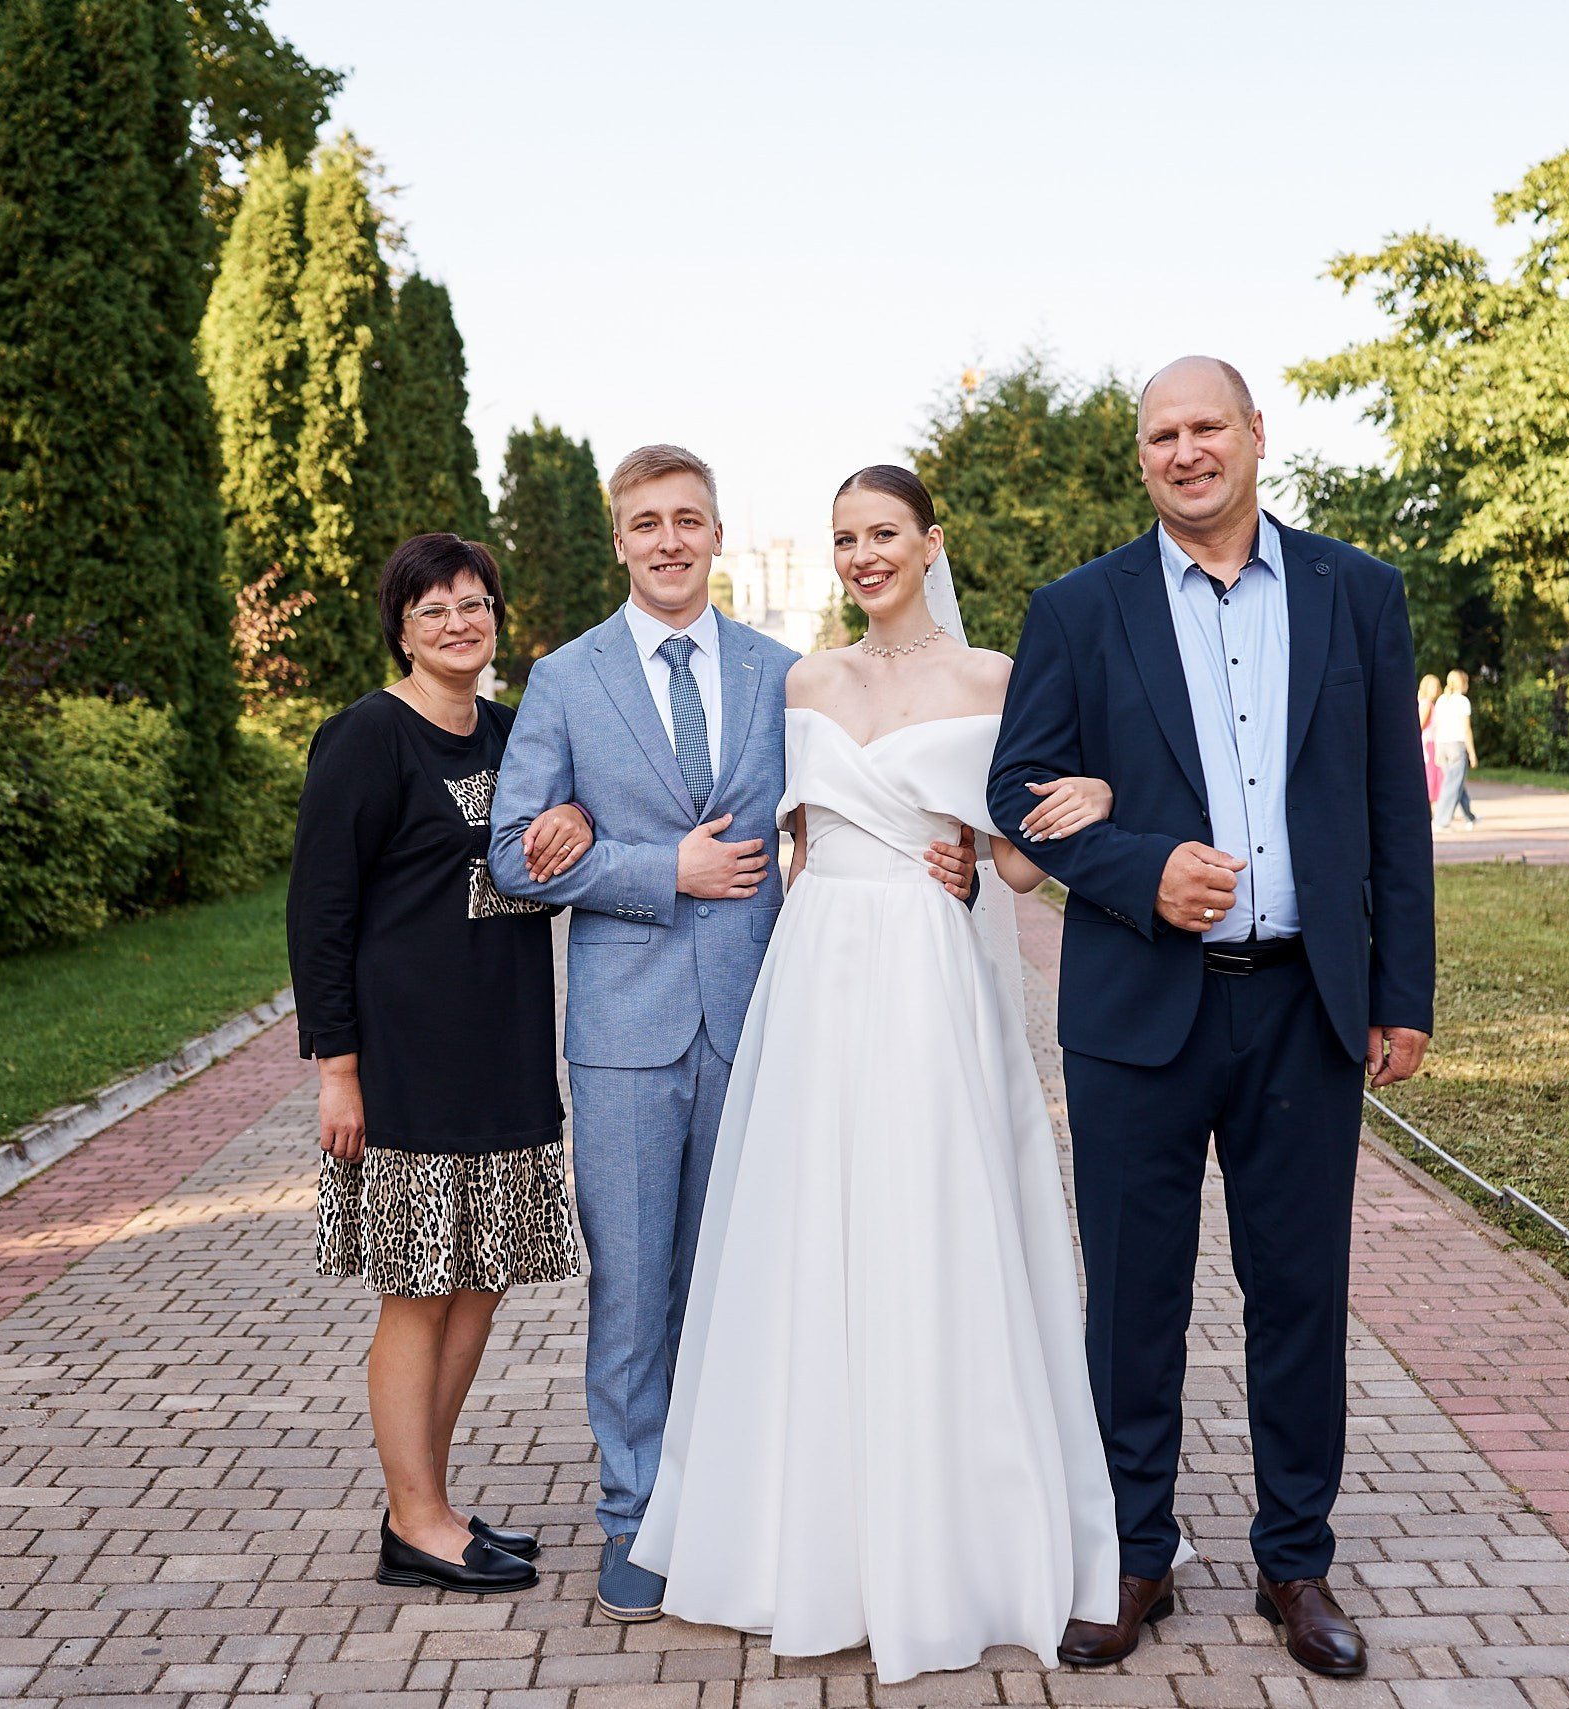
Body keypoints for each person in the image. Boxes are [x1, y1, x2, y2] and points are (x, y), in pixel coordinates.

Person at [629, 467, 1124, 1682]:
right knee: (810, 1233)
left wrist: (1088, 800)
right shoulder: (805, 679)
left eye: (883, 534)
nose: (862, 555)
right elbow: (786, 834)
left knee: (931, 1225)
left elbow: (1015, 863)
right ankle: (806, 1533)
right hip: (820, 972)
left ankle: (950, 1533)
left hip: (928, 966)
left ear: (927, 542)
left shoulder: (994, 678)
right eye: (845, 537)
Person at [988, 357, 1435, 1678]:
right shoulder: (1080, 609)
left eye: (1205, 428)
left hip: (1305, 1004)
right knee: (1133, 1299)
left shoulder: (1359, 593)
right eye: (1160, 435)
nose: (1185, 452)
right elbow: (1019, 790)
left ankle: (1296, 1563)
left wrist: (1399, 991)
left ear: (1255, 435)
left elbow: (1392, 812)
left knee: (1299, 1293)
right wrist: (1142, 868)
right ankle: (1137, 1555)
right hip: (1135, 1012)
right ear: (1143, 459)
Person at [485, 445, 798, 1623]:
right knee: (631, 1285)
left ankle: (731, 1503)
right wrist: (657, 867)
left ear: (718, 533)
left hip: (760, 1019)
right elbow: (515, 852)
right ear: (617, 540)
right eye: (645, 523)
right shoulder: (565, 679)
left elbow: (827, 820)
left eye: (688, 519)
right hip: (623, 1033)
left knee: (737, 1277)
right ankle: (634, 1517)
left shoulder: (784, 673)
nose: (668, 539)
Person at [286, 533, 598, 1596]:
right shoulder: (367, 738)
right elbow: (318, 914)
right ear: (402, 628)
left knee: (481, 1277)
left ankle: (429, 1502)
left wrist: (571, 818)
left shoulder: (518, 735)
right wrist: (338, 1067)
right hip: (407, 1058)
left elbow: (557, 852)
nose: (459, 622)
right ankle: (414, 1518)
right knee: (419, 1289)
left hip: (505, 1045)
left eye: (476, 603)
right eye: (435, 610)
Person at [1430, 667, 1479, 831]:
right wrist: (1472, 753)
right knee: (1452, 785)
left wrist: (1437, 750)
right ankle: (1441, 821)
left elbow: (1437, 727)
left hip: (1443, 746)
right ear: (1462, 684)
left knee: (1455, 783)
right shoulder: (1462, 701)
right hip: (1456, 746)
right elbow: (1466, 729)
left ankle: (1469, 817)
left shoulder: (1442, 700)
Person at [1416, 672, 1444, 808]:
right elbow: (1420, 725)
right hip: (1429, 744)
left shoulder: (1427, 704)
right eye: (1433, 687)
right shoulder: (1426, 705)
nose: (1436, 690)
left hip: (1429, 742)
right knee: (1432, 776)